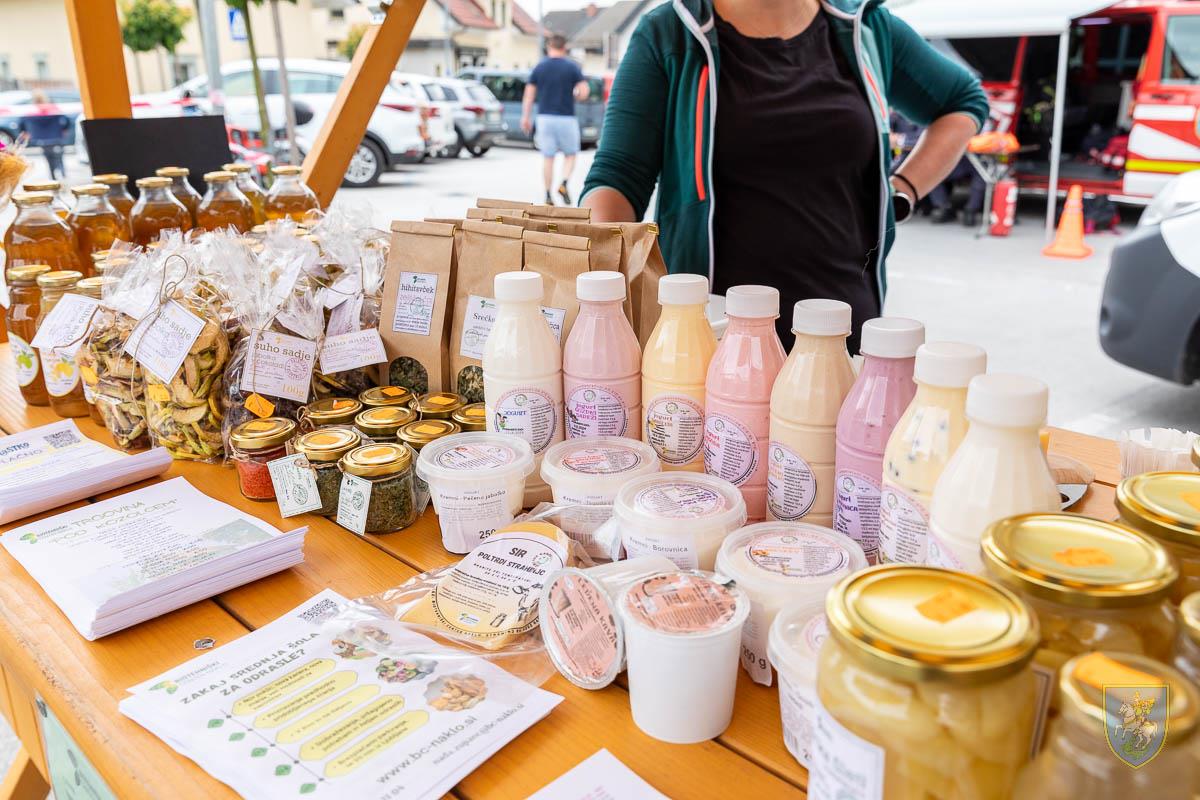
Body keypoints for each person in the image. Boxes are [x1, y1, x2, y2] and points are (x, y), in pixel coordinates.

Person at [581, 0, 988, 351]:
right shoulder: (672, 34)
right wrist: (601, 297)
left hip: (842, 333)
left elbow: (963, 101)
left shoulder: (866, 26)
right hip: (712, 341)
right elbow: (618, 180)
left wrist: (903, 190)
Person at [521, 34, 590, 205]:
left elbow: (529, 96)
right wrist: (575, 95)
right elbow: (584, 92)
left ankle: (547, 195)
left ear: (548, 47)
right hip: (566, 117)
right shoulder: (572, 67)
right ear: (564, 47)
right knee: (571, 154)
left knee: (548, 157)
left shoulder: (539, 67)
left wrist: (526, 117)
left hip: (544, 118)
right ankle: (564, 183)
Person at [19, 91, 70, 181]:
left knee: (48, 158)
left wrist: (25, 132)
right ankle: (62, 175)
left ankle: (53, 177)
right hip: (56, 137)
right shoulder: (53, 108)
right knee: (59, 157)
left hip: (41, 139)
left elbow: (21, 122)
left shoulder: (31, 110)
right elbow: (66, 119)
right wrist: (65, 129)